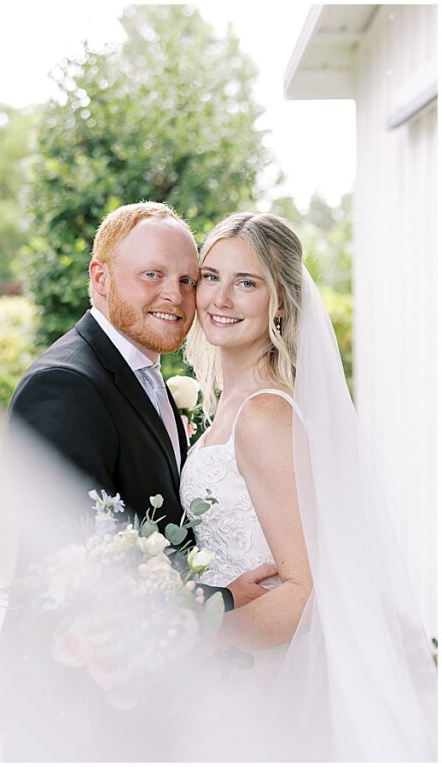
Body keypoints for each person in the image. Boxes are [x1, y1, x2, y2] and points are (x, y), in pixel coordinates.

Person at [0, 202, 272, 759]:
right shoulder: (65, 387)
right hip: (77, 710)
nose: (175, 294)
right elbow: (74, 570)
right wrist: (219, 602)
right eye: (152, 275)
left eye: (187, 279)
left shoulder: (149, 379)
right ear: (100, 277)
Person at [179, 212, 437, 759]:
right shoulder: (230, 402)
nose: (220, 298)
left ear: (281, 304)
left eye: (246, 283)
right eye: (210, 276)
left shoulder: (264, 414)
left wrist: (193, 637)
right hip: (236, 677)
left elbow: (307, 593)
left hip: (267, 682)